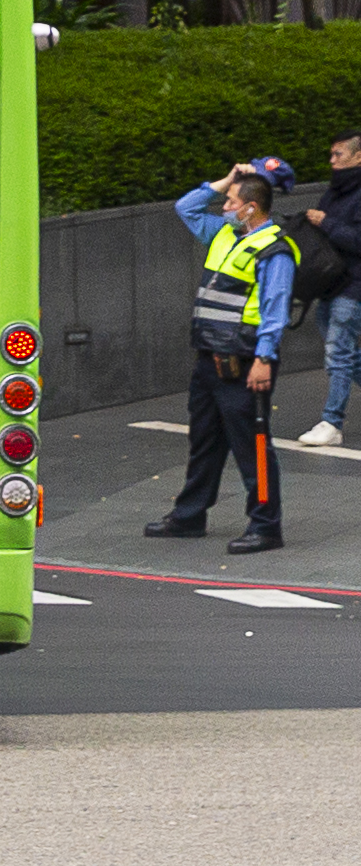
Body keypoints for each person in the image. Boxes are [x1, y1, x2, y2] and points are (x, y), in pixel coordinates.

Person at [150, 156, 302, 554]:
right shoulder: (223, 233)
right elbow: (185, 207)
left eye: (232, 201)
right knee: (204, 440)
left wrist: (264, 359)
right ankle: (189, 516)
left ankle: (266, 526)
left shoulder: (274, 250)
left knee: (253, 444)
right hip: (209, 357)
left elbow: (275, 310)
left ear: (251, 208)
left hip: (245, 361)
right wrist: (226, 180)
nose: (225, 207)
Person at [293, 133, 361, 450]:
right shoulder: (335, 192)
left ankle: (332, 423)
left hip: (355, 286)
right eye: (331, 154)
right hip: (330, 284)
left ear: (358, 156)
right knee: (344, 354)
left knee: (338, 352)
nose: (332, 161)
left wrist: (326, 222)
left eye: (339, 154)